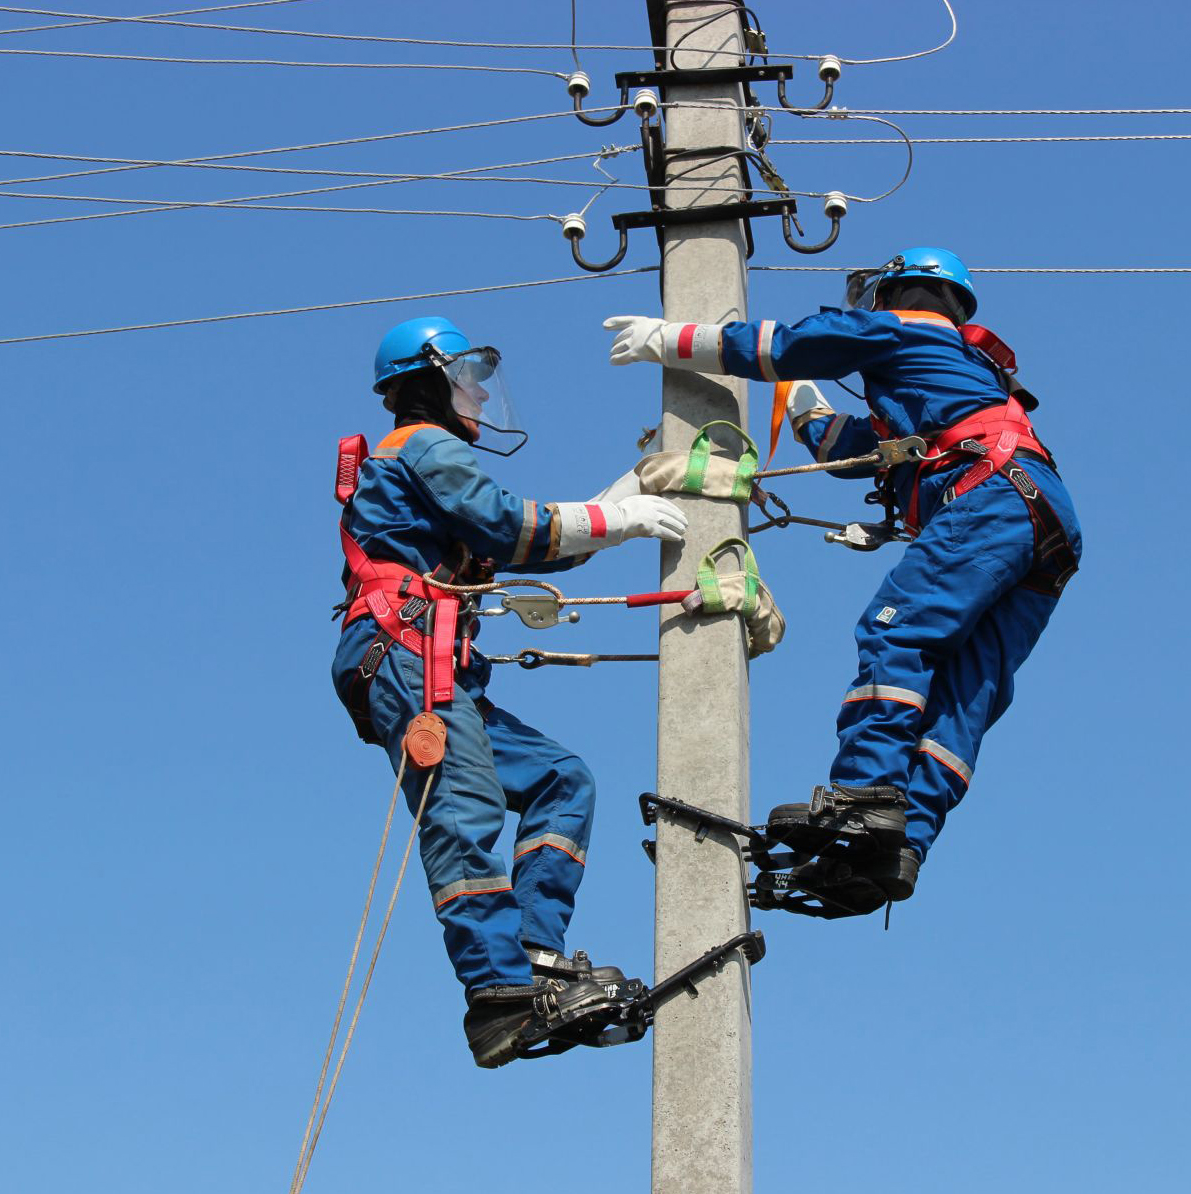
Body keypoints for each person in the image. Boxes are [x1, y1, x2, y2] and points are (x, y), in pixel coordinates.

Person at [604, 248, 1082, 918]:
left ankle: (865, 797)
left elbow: (789, 344)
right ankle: (900, 844)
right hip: (1042, 521)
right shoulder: (956, 376)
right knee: (965, 692)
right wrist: (800, 402)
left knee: (896, 631)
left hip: (991, 497)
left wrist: (673, 340)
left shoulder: (904, 328)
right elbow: (844, 449)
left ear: (902, 290)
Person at [332, 315, 687, 1066]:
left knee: (563, 780)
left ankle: (532, 956)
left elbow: (524, 548)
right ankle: (497, 997)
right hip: (403, 653)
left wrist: (624, 496)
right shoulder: (419, 446)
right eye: (469, 381)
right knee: (464, 812)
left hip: (432, 660)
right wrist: (615, 517)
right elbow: (511, 528)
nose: (482, 398)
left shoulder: (426, 465)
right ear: (428, 381)